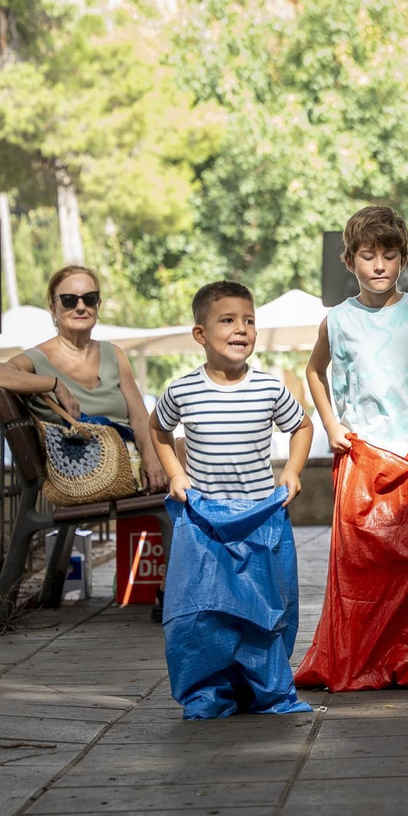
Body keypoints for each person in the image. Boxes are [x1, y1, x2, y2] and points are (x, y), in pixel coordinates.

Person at [149, 281, 316, 717]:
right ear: (200, 334)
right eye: (227, 320)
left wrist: (293, 471)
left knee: (263, 607)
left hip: (260, 516)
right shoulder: (183, 391)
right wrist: (175, 474)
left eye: (248, 320)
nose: (241, 329)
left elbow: (302, 427)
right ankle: (209, 691)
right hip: (204, 520)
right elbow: (157, 428)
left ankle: (267, 690)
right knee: (205, 611)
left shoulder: (269, 388)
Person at [295, 206, 408, 691]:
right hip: (358, 454)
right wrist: (331, 424)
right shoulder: (337, 321)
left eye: (389, 255)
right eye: (367, 255)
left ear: (404, 259)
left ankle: (403, 657)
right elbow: (314, 372)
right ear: (349, 260)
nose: (378, 265)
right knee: (357, 569)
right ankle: (357, 656)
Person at [0, 265, 166, 494]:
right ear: (53, 308)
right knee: (186, 461)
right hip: (80, 471)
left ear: (98, 304)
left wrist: (153, 459)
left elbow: (139, 418)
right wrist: (53, 383)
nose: (81, 307)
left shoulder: (113, 354)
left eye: (90, 298)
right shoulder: (38, 358)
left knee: (184, 452)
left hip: (126, 461)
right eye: (69, 300)